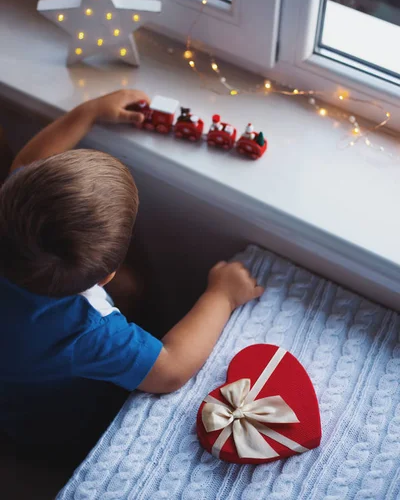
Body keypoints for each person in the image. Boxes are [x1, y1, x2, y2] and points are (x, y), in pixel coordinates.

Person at [0, 89, 263, 461]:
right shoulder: (85, 331)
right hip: (55, 420)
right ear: (104, 277)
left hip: (13, 369)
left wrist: (88, 111)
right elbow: (171, 369)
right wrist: (221, 295)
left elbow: (28, 161)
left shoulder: (12, 214)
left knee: (133, 288)